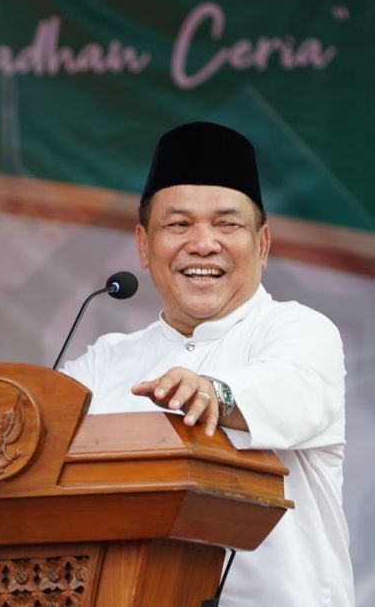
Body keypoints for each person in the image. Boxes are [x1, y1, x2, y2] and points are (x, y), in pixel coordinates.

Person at [61, 121, 355, 607]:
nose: (202, 244)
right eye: (178, 225)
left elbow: (290, 394)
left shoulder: (299, 331)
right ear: (142, 244)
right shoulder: (104, 362)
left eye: (227, 224)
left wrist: (212, 394)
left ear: (262, 245)